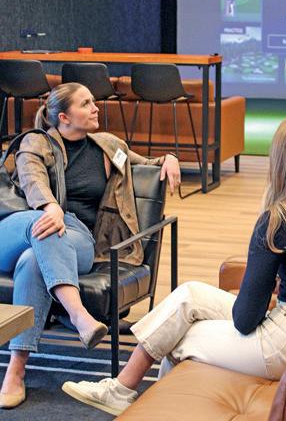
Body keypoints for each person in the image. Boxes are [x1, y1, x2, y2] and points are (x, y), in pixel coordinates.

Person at [62, 114, 286, 417]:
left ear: (277, 163)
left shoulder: (280, 220)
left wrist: (271, 290)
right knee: (189, 295)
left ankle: (134, 396)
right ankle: (122, 389)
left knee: (177, 337)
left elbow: (246, 320)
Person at [0, 82, 181, 410]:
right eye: (85, 104)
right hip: (19, 228)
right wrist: (50, 207)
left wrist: (169, 158)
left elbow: (145, 162)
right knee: (42, 227)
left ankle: (16, 369)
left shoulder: (109, 146)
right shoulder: (35, 143)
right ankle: (79, 315)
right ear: (64, 117)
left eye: (93, 101)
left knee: (35, 258)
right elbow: (31, 179)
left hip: (78, 238)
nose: (96, 107)